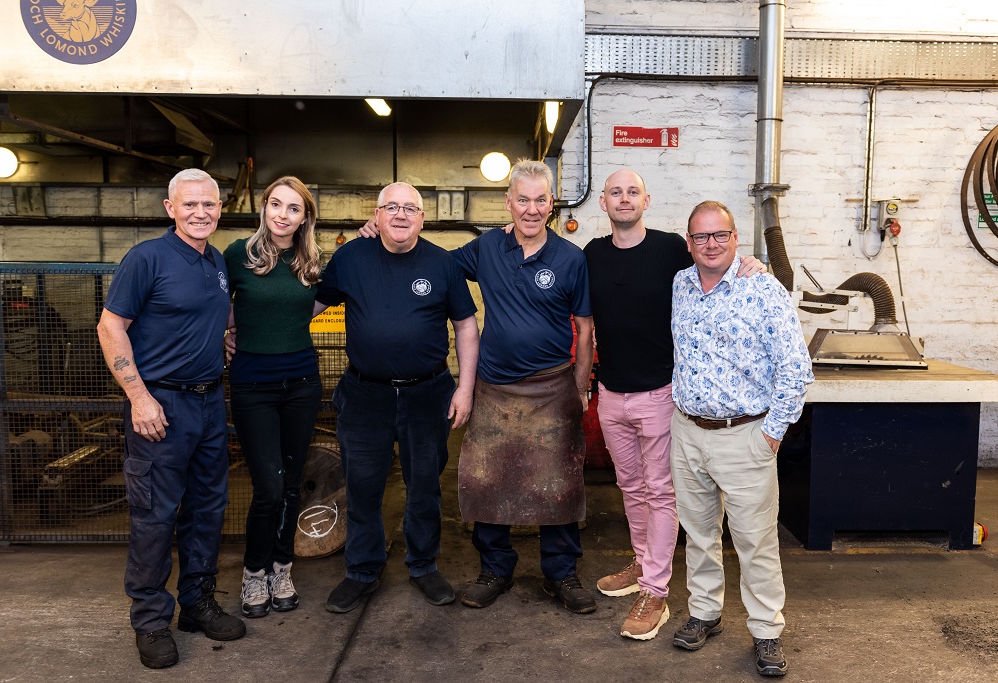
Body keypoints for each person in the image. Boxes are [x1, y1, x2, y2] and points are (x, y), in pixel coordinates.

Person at [585, 170, 763, 641]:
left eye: (632, 192)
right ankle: (644, 563)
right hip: (611, 394)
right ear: (602, 202)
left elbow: (717, 256)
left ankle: (656, 591)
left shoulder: (670, 249)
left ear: (647, 199)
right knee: (630, 486)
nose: (624, 199)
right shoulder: (593, 254)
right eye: (615, 192)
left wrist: (752, 265)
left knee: (660, 491)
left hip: (661, 393)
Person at [97, 168, 244, 670]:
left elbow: (210, 313)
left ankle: (196, 602)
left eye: (209, 205)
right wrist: (139, 397)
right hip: (160, 406)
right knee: (155, 517)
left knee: (207, 509)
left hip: (207, 404)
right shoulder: (147, 258)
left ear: (220, 209)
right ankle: (151, 620)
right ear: (170, 208)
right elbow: (111, 326)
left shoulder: (217, 261)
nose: (200, 212)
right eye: (190, 205)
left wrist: (222, 337)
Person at [317, 182, 480, 613]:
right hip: (364, 394)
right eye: (392, 207)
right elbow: (311, 305)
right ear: (377, 214)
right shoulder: (351, 257)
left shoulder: (442, 264)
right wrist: (255, 325)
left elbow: (465, 326)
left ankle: (423, 565)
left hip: (427, 394)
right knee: (363, 485)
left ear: (423, 218)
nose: (402, 215)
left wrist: (465, 387)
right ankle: (361, 572)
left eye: (411, 208)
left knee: (424, 486)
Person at [669, 200, 813, 677]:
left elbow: (796, 368)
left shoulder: (762, 288)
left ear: (736, 238)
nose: (710, 245)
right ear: (688, 242)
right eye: (700, 237)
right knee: (699, 534)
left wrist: (771, 434)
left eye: (719, 236)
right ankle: (705, 614)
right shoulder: (681, 284)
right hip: (688, 432)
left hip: (745, 434)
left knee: (755, 540)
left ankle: (767, 631)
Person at [453, 160, 596, 614]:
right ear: (508, 203)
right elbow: (432, 263)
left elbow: (586, 328)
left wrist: (579, 386)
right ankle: (495, 569)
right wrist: (379, 235)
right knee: (488, 483)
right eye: (523, 199)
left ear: (551, 205)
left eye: (540, 200)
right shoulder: (485, 249)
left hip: (553, 388)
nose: (531, 209)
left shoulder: (571, 258)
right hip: (494, 391)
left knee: (560, 487)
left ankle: (562, 574)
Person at [223, 176, 323, 618]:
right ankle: (253, 574)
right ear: (264, 208)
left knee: (289, 485)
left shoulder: (313, 261)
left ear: (305, 217)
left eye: (294, 208)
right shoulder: (236, 255)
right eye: (276, 205)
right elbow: (221, 308)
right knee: (266, 487)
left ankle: (282, 569)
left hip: (301, 383)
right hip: (253, 386)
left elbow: (311, 307)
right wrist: (227, 331)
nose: (283, 215)